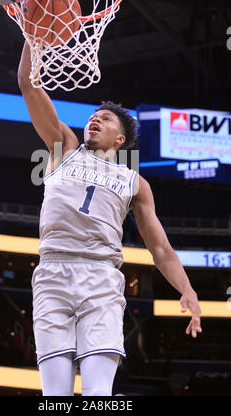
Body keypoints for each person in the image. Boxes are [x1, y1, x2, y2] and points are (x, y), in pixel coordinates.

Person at [18, 41, 202, 396]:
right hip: (52, 271)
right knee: (54, 396)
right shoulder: (63, 148)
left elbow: (160, 248)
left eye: (104, 118)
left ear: (120, 138)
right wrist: (32, 35)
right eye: (92, 117)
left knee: (98, 393)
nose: (94, 120)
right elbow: (28, 83)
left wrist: (187, 288)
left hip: (101, 278)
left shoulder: (135, 181)